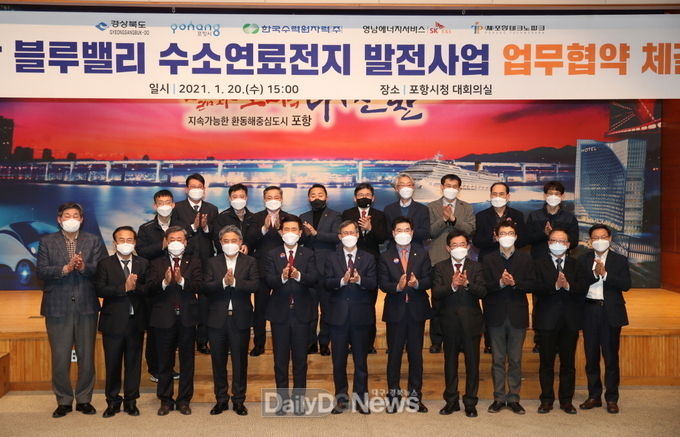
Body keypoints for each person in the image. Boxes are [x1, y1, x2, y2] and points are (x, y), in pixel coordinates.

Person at [37, 202, 108, 418]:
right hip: (57, 306)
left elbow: (103, 270)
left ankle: (84, 399)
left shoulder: (93, 240)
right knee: (60, 357)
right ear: (59, 219)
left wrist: (84, 267)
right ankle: (64, 400)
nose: (71, 219)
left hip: (86, 306)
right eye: (67, 215)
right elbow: (41, 271)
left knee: (86, 357)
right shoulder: (47, 241)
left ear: (82, 219)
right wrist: (65, 268)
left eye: (75, 215)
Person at [264, 215, 318, 415]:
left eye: (294, 229)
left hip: (302, 313)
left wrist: (298, 276)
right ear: (280, 232)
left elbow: (314, 278)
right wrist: (282, 277)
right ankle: (282, 401)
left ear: (300, 233)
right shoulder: (272, 254)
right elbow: (268, 280)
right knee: (280, 361)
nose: (290, 233)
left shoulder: (308, 254)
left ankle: (298, 401)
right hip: (280, 313)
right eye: (286, 229)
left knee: (300, 361)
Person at [203, 225, 259, 417]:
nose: (230, 244)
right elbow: (206, 287)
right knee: (218, 362)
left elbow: (255, 285)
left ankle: (238, 400)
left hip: (240, 319)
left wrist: (234, 282)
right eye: (226, 241)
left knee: (240, 362)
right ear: (220, 243)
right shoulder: (212, 262)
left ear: (240, 242)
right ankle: (221, 400)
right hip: (217, 320)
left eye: (234, 240)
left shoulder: (250, 261)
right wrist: (222, 283)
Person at [146, 226, 202, 416]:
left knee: (187, 362)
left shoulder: (194, 261)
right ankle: (166, 400)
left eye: (180, 239)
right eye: (172, 239)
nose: (176, 242)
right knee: (164, 362)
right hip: (163, 318)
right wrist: (164, 282)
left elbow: (200, 285)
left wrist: (182, 281)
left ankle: (184, 400)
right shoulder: (156, 262)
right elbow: (148, 288)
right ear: (166, 241)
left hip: (187, 317)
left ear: (186, 242)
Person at [378, 217, 432, 414]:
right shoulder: (385, 256)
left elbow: (429, 279)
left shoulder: (422, 253)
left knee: (416, 356)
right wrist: (398, 286)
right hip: (395, 312)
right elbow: (383, 283)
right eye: (399, 230)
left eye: (407, 229)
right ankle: (393, 397)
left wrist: (417, 283)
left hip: (416, 311)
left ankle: (415, 397)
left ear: (412, 232)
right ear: (393, 233)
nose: (403, 233)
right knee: (394, 356)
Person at [482, 219, 535, 415]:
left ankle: (513, 398)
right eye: (502, 233)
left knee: (515, 359)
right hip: (495, 314)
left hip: (517, 315)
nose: (506, 237)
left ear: (516, 236)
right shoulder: (488, 259)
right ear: (496, 237)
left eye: (510, 233)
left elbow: (532, 284)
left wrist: (514, 283)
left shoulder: (525, 258)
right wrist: (500, 283)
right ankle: (498, 397)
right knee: (497, 359)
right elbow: (483, 287)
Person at [95, 226, 148, 418]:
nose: (126, 243)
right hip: (113, 322)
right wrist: (123, 288)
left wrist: (135, 287)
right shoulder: (105, 264)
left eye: (130, 240)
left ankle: (131, 401)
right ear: (114, 243)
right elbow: (100, 289)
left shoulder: (143, 263)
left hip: (136, 322)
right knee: (113, 364)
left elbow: (149, 289)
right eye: (122, 240)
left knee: (133, 364)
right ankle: (112, 401)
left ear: (135, 242)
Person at [325, 220, 377, 415]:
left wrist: (360, 280)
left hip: (360, 317)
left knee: (361, 362)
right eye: (345, 233)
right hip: (338, 317)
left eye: (352, 232)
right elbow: (326, 282)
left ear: (358, 234)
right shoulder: (331, 257)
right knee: (338, 362)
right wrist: (342, 280)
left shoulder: (368, 258)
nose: (349, 236)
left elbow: (373, 283)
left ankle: (361, 399)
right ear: (339, 236)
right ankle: (341, 399)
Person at [432, 230, 486, 418]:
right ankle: (451, 401)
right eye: (454, 245)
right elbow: (436, 293)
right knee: (450, 365)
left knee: (472, 365)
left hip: (471, 322)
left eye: (462, 244)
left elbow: (483, 292)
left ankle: (470, 402)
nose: (458, 248)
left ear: (468, 246)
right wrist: (453, 286)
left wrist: (468, 284)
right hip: (449, 323)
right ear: (448, 248)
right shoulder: (440, 267)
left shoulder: (476, 267)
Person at [578, 224, 631, 414]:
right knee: (591, 357)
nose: (599, 240)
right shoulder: (582, 259)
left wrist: (605, 275)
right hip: (589, 311)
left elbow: (626, 284)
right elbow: (579, 285)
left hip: (610, 312)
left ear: (610, 239)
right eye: (595, 237)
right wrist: (594, 274)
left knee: (610, 357)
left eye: (603, 237)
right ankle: (594, 396)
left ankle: (612, 398)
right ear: (590, 241)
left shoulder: (619, 260)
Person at [137, 189, 187, 383]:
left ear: (173, 204)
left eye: (168, 202)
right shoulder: (146, 228)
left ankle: (171, 367)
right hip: (156, 282)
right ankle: (155, 368)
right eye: (160, 202)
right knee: (155, 327)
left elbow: (191, 248)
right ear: (155, 206)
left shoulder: (181, 226)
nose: (164, 206)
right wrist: (163, 245)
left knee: (177, 326)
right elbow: (141, 252)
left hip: (179, 282)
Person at [533, 228, 584, 415]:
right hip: (547, 320)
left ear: (568, 245)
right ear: (548, 243)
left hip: (570, 321)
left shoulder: (576, 264)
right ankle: (546, 400)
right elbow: (535, 287)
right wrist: (555, 286)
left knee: (568, 364)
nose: (558, 244)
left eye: (562, 241)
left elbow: (582, 288)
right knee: (546, 363)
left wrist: (568, 286)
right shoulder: (538, 264)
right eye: (554, 240)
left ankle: (566, 401)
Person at [526, 180, 579, 353]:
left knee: (562, 299)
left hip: (562, 263)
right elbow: (526, 238)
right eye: (550, 193)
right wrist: (544, 234)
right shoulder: (534, 216)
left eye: (557, 193)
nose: (553, 196)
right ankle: (540, 339)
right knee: (539, 301)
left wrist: (557, 236)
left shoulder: (569, 218)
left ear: (562, 196)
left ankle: (560, 337)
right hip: (540, 263)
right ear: (545, 195)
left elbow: (574, 241)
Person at [473, 182, 526, 354]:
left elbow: (523, 240)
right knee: (490, 300)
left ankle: (512, 338)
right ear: (490, 196)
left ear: (508, 196)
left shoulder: (517, 215)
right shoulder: (482, 216)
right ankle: (490, 342)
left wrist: (509, 238)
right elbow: (477, 241)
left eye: (501, 194)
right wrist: (494, 239)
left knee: (513, 297)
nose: (498, 197)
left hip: (513, 261)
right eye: (494, 194)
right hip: (490, 262)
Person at [427, 173, 475, 354]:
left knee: (460, 300)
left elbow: (470, 230)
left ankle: (460, 339)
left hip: (461, 260)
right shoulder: (431, 207)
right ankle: (436, 340)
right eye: (448, 185)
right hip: (438, 259)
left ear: (459, 189)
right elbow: (430, 232)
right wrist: (444, 219)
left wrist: (454, 220)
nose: (451, 189)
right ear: (441, 187)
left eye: (455, 186)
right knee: (438, 300)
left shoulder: (466, 207)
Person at [172, 173, 218, 355]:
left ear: (204, 189)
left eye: (199, 187)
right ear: (186, 189)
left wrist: (205, 227)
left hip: (206, 260)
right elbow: (173, 233)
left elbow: (216, 235)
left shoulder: (212, 209)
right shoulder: (177, 208)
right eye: (193, 187)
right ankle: (181, 339)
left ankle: (202, 340)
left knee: (206, 302)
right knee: (184, 298)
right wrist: (192, 227)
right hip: (185, 259)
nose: (196, 190)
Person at [341, 183, 388, 354]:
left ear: (373, 198)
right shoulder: (347, 214)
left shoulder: (379, 215)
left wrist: (370, 229)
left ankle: (368, 343)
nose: (364, 197)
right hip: (350, 262)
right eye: (360, 194)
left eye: (367, 194)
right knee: (349, 304)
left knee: (368, 305)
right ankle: (349, 343)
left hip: (371, 264)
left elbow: (383, 238)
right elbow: (343, 237)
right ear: (355, 198)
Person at [245, 185, 291, 356]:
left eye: (276, 197)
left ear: (282, 199)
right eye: (269, 197)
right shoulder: (255, 218)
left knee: (283, 307)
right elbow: (249, 242)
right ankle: (259, 344)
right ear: (264, 200)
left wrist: (280, 231)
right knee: (260, 310)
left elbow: (296, 241)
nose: (273, 200)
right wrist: (263, 229)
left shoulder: (289, 218)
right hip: (262, 270)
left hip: (283, 270)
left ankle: (284, 343)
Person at [299, 184, 341, 356]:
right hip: (308, 268)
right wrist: (305, 235)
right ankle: (310, 343)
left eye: (320, 195)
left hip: (328, 268)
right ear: (308, 198)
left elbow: (337, 237)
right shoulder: (303, 217)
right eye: (313, 195)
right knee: (309, 309)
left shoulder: (335, 215)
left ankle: (324, 342)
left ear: (326, 197)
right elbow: (299, 240)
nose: (317, 198)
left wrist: (316, 234)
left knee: (327, 309)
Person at [383, 173, 430, 244]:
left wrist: (407, 231)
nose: (406, 188)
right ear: (396, 188)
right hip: (394, 248)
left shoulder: (423, 209)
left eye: (409, 185)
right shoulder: (389, 209)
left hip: (416, 248)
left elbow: (426, 233)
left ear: (413, 188)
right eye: (402, 185)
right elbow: (386, 232)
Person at [211, 183, 255, 255]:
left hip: (247, 257)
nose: (238, 199)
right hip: (225, 257)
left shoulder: (253, 217)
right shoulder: (221, 217)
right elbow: (217, 240)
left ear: (246, 198)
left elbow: (254, 238)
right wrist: (232, 251)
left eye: (242, 196)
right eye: (235, 197)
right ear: (230, 198)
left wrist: (247, 246)